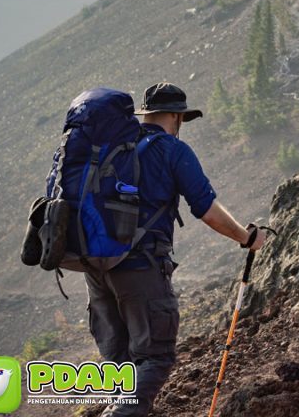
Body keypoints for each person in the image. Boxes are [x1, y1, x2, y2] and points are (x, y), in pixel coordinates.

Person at [86, 83, 266, 417]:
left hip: (96, 268)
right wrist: (247, 237)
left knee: (120, 363)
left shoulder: (114, 148)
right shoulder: (172, 150)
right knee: (155, 357)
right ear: (176, 117)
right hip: (140, 267)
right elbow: (208, 211)